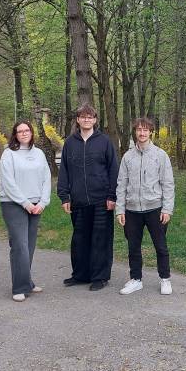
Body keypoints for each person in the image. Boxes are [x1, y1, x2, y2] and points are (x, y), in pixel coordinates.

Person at [56, 104, 119, 291]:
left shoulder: (104, 141)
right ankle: (80, 275)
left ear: (95, 120)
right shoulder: (70, 143)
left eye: (90, 117)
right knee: (80, 239)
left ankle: (100, 277)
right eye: (83, 117)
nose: (86, 120)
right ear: (77, 120)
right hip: (78, 200)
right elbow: (64, 171)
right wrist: (64, 197)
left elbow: (113, 170)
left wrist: (112, 195)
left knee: (100, 239)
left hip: (101, 200)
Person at [115, 117, 175, 296]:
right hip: (132, 210)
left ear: (151, 132)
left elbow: (168, 184)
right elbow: (121, 184)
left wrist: (167, 209)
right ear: (135, 132)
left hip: (155, 209)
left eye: (145, 130)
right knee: (133, 247)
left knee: (161, 246)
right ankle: (136, 279)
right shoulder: (128, 157)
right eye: (139, 130)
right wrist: (120, 209)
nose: (142, 133)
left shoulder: (160, 155)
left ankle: (165, 279)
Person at [0, 120, 52, 301]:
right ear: (15, 134)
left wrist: (43, 202)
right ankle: (19, 288)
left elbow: (46, 178)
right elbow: (8, 183)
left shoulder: (39, 153)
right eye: (20, 131)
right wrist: (25, 203)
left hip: (36, 205)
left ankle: (26, 281)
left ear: (31, 132)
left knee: (29, 245)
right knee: (20, 245)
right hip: (13, 204)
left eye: (27, 130)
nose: (24, 133)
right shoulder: (8, 154)